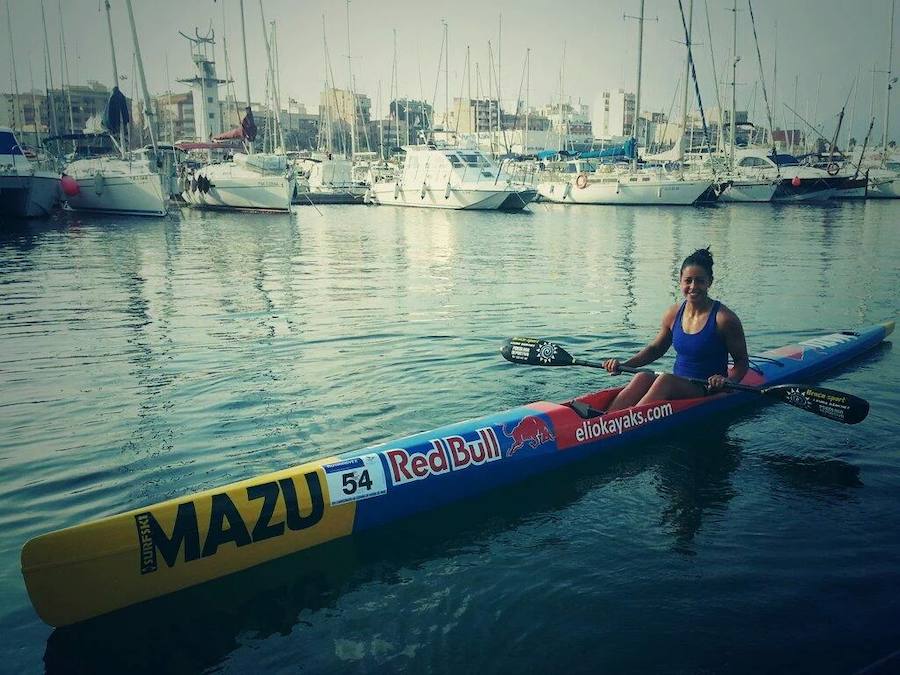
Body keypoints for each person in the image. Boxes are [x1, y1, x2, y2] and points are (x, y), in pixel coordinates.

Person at [602, 247, 749, 411]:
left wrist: (729, 380)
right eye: (688, 280)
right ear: (680, 281)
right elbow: (655, 349)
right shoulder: (673, 313)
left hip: (706, 388)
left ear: (710, 282)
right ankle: (604, 420)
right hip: (678, 386)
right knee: (642, 377)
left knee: (665, 380)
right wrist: (624, 365)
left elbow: (742, 362)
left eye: (700, 281)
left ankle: (625, 423)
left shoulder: (724, 319)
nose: (693, 286)